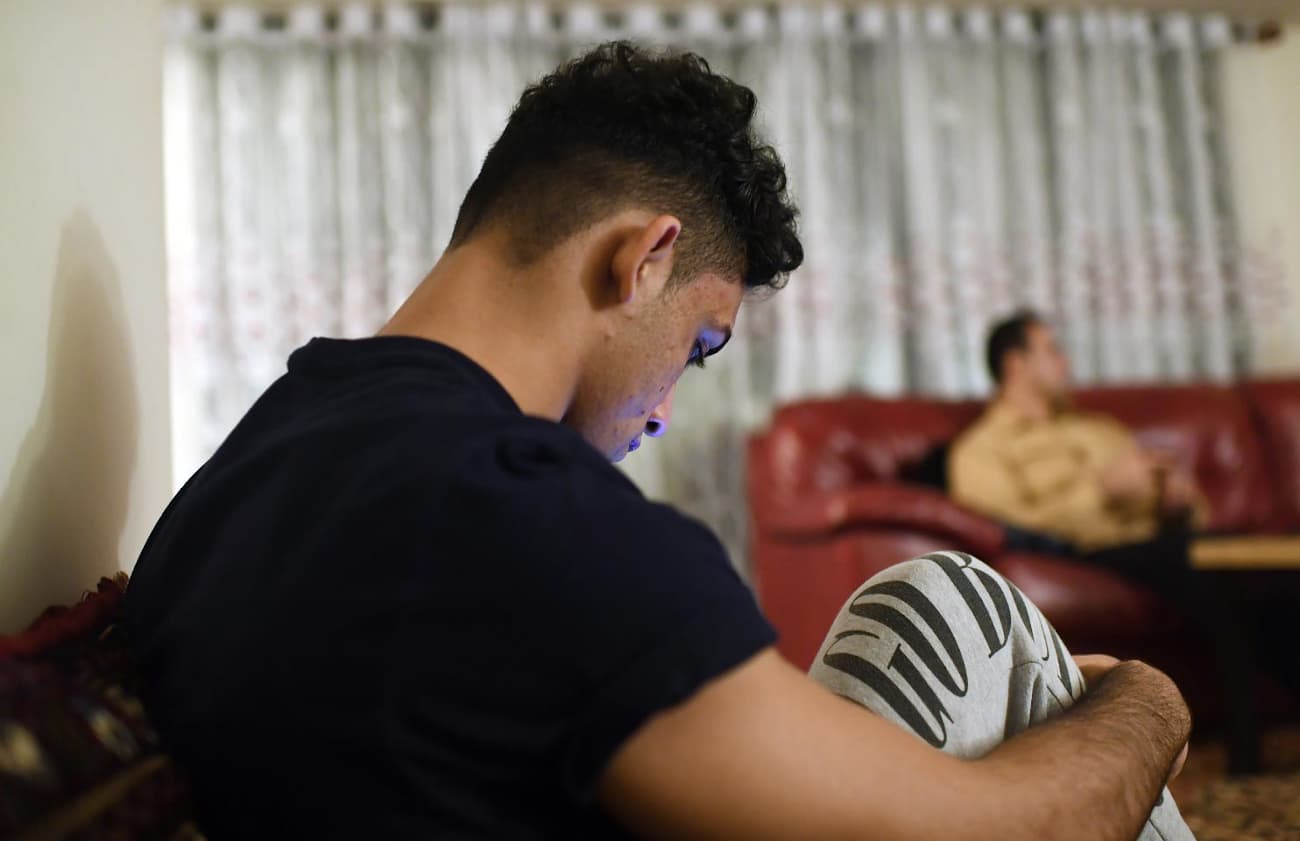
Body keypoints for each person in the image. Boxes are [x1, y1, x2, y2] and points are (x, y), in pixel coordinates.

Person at [125, 44, 1192, 840]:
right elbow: (1010, 828)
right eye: (700, 343)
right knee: (952, 605)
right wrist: (1145, 703)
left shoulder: (244, 467)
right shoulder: (522, 513)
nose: (663, 413)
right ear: (643, 259)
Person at [949, 310, 1207, 559]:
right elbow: (1012, 532)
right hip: (1092, 556)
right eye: (1053, 351)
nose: (1066, 362)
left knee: (1232, 555)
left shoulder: (1101, 429)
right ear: (1015, 364)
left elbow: (1195, 516)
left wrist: (1176, 504)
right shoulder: (981, 449)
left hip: (1165, 545)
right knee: (1195, 567)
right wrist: (1101, 493)